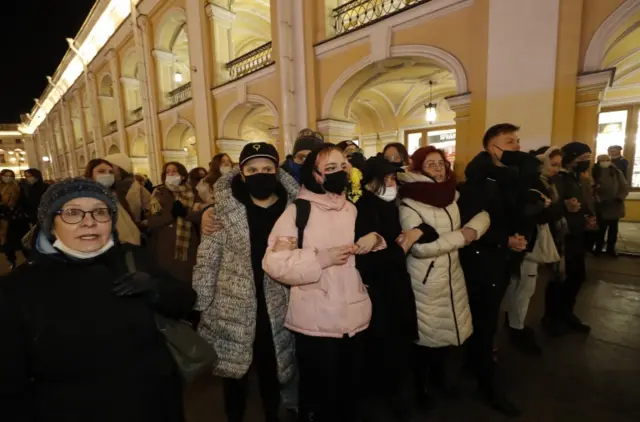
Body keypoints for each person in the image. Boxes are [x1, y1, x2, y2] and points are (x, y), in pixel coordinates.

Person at [0, 177, 195, 422]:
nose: (89, 222)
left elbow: (185, 301)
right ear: (50, 224)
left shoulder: (133, 258)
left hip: (152, 406)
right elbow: (9, 382)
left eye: (100, 212)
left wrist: (155, 288)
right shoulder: (19, 287)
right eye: (73, 213)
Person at [263, 143, 384, 422]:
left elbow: (371, 246)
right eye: (330, 168)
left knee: (350, 391)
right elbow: (274, 263)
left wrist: (374, 240)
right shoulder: (298, 212)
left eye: (343, 166)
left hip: (354, 315)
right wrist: (321, 259)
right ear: (316, 175)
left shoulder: (351, 209)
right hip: (315, 321)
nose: (340, 172)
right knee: (319, 393)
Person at [193, 142, 296, 422]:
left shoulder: (293, 209)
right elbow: (208, 256)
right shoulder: (223, 210)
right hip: (231, 303)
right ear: (241, 173)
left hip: (277, 301)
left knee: (271, 367)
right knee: (233, 371)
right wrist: (200, 300)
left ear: (276, 171)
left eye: (267, 168)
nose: (260, 174)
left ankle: (272, 415)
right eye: (252, 169)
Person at [398, 146, 489, 407]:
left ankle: (439, 381)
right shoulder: (410, 202)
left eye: (440, 163)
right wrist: (463, 236)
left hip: (452, 275)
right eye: (430, 164)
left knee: (445, 337)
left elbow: (482, 216)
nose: (438, 168)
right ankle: (420, 389)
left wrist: (473, 229)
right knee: (425, 339)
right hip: (425, 280)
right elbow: (420, 247)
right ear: (417, 168)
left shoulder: (452, 195)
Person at [457, 123, 534, 417]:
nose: (516, 146)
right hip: (483, 262)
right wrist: (505, 240)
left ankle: (473, 365)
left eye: (517, 140)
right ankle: (486, 384)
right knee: (486, 322)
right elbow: (469, 224)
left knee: (486, 320)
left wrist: (520, 237)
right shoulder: (479, 180)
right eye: (509, 141)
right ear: (492, 147)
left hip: (502, 259)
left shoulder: (512, 178)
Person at [355, 154, 420, 422]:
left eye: (394, 178)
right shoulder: (364, 207)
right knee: (385, 344)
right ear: (371, 182)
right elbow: (369, 260)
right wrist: (407, 243)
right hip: (379, 289)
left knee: (396, 342)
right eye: (386, 178)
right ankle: (389, 395)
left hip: (395, 284)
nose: (392, 183)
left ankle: (391, 391)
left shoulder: (389, 204)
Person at [503, 147, 566, 354]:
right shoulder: (530, 185)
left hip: (530, 239)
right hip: (526, 240)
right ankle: (516, 326)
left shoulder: (545, 183)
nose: (556, 169)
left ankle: (515, 321)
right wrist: (551, 208)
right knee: (524, 285)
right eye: (552, 164)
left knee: (523, 285)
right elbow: (531, 214)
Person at [548, 141, 595, 334]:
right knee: (558, 279)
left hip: (576, 233)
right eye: (582, 159)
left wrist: (587, 216)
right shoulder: (559, 178)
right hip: (562, 236)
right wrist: (565, 208)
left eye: (588, 159)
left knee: (577, 276)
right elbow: (551, 205)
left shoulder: (576, 178)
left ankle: (566, 312)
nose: (586, 162)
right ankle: (552, 318)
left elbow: (581, 201)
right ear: (571, 158)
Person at [85, 159, 142, 246]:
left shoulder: (117, 197)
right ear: (90, 175)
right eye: (101, 171)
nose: (107, 175)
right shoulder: (86, 201)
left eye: (111, 172)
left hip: (131, 248)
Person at [593, 154, 629, 256]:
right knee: (600, 229)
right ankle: (598, 248)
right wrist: (597, 198)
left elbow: (624, 187)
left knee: (613, 229)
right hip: (601, 205)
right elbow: (591, 187)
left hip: (614, 205)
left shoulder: (617, 172)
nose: (604, 162)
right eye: (602, 160)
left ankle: (610, 249)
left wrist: (619, 197)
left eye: (606, 160)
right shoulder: (595, 172)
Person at [103, 153, 153, 226]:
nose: (108, 169)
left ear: (121, 168)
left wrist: (145, 223)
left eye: (111, 166)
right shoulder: (106, 187)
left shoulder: (137, 187)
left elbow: (151, 208)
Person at [0, 169, 29, 269]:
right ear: (1, 176)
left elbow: (25, 201)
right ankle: (11, 261)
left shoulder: (18, 187)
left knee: (23, 239)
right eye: (5, 175)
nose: (8, 178)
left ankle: (28, 259)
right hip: (4, 218)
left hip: (18, 218)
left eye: (10, 176)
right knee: (7, 242)